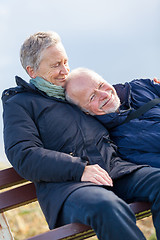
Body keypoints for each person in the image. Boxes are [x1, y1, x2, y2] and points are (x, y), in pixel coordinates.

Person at [2, 32, 160, 240]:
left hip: (116, 172)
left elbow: (110, 97)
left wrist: (151, 86)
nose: (64, 71)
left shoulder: (74, 93)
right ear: (32, 71)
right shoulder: (19, 104)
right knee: (106, 206)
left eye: (65, 62)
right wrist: (79, 169)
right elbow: (23, 155)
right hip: (69, 187)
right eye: (55, 65)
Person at [66, 67, 160, 168]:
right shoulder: (118, 144)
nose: (104, 94)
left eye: (101, 85)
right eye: (92, 97)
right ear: (84, 111)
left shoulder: (140, 87)